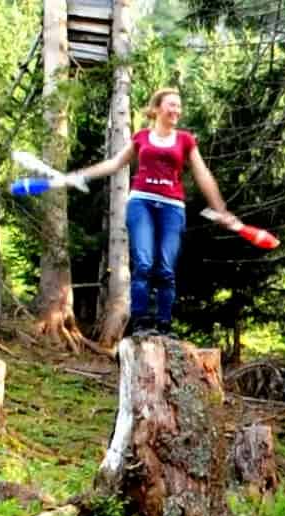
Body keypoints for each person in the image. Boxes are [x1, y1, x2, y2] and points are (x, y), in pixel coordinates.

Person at [67, 88, 242, 336]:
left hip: (173, 207)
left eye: (179, 106)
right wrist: (82, 174)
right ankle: (140, 323)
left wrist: (220, 209)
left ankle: (164, 324)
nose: (177, 110)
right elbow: (115, 163)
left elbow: (202, 174)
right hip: (141, 203)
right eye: (172, 105)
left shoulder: (185, 140)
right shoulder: (141, 137)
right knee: (144, 264)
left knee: (166, 269)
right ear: (157, 108)